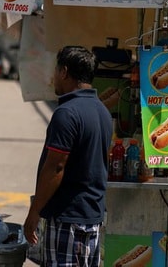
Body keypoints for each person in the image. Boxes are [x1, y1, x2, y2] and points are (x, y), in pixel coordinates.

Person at [23, 46, 113, 267]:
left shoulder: (67, 113)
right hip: (92, 216)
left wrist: (34, 213)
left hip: (68, 219)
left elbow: (56, 167)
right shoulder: (102, 111)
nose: (53, 77)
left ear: (64, 71)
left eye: (55, 71)